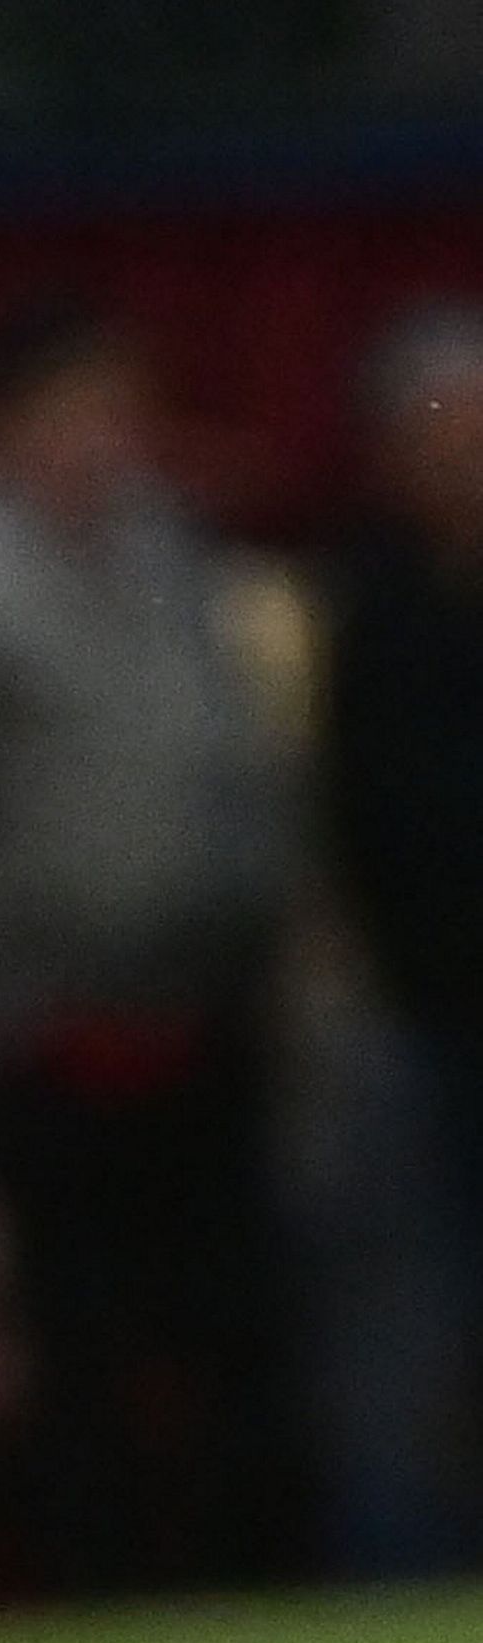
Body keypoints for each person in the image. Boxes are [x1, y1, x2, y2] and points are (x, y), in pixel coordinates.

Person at [0, 300, 305, 1593]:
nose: (103, 437)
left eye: (119, 408)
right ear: (5, 424)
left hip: (198, 1005)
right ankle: (93, 1595)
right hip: (33, 1029)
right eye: (73, 408)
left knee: (231, 1327)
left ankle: (253, 1601)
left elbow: (229, 758)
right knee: (73, 1336)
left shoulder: (171, 553)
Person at [307, 302, 483, 1572]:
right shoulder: (372, 607)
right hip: (421, 1025)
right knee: (411, 1326)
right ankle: (400, 1573)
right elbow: (358, 823)